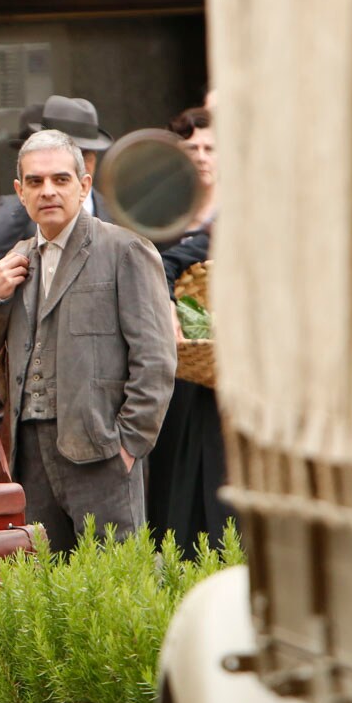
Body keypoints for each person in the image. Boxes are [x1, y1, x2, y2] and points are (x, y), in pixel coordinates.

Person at [0, 130, 176, 552]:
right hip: (30, 454)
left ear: (84, 184)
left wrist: (128, 444)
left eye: (60, 179)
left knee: (114, 584)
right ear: (19, 192)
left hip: (102, 452)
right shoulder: (16, 258)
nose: (47, 191)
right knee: (47, 593)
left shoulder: (125, 249)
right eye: (34, 182)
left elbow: (156, 359)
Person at [147, 106, 226, 554]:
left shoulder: (238, 217)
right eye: (190, 147)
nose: (200, 156)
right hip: (173, 366)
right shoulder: (157, 211)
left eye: (210, 147)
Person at [0, 95, 114, 260]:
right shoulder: (20, 206)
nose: (49, 191)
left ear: (91, 161)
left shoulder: (117, 215)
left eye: (81, 153)